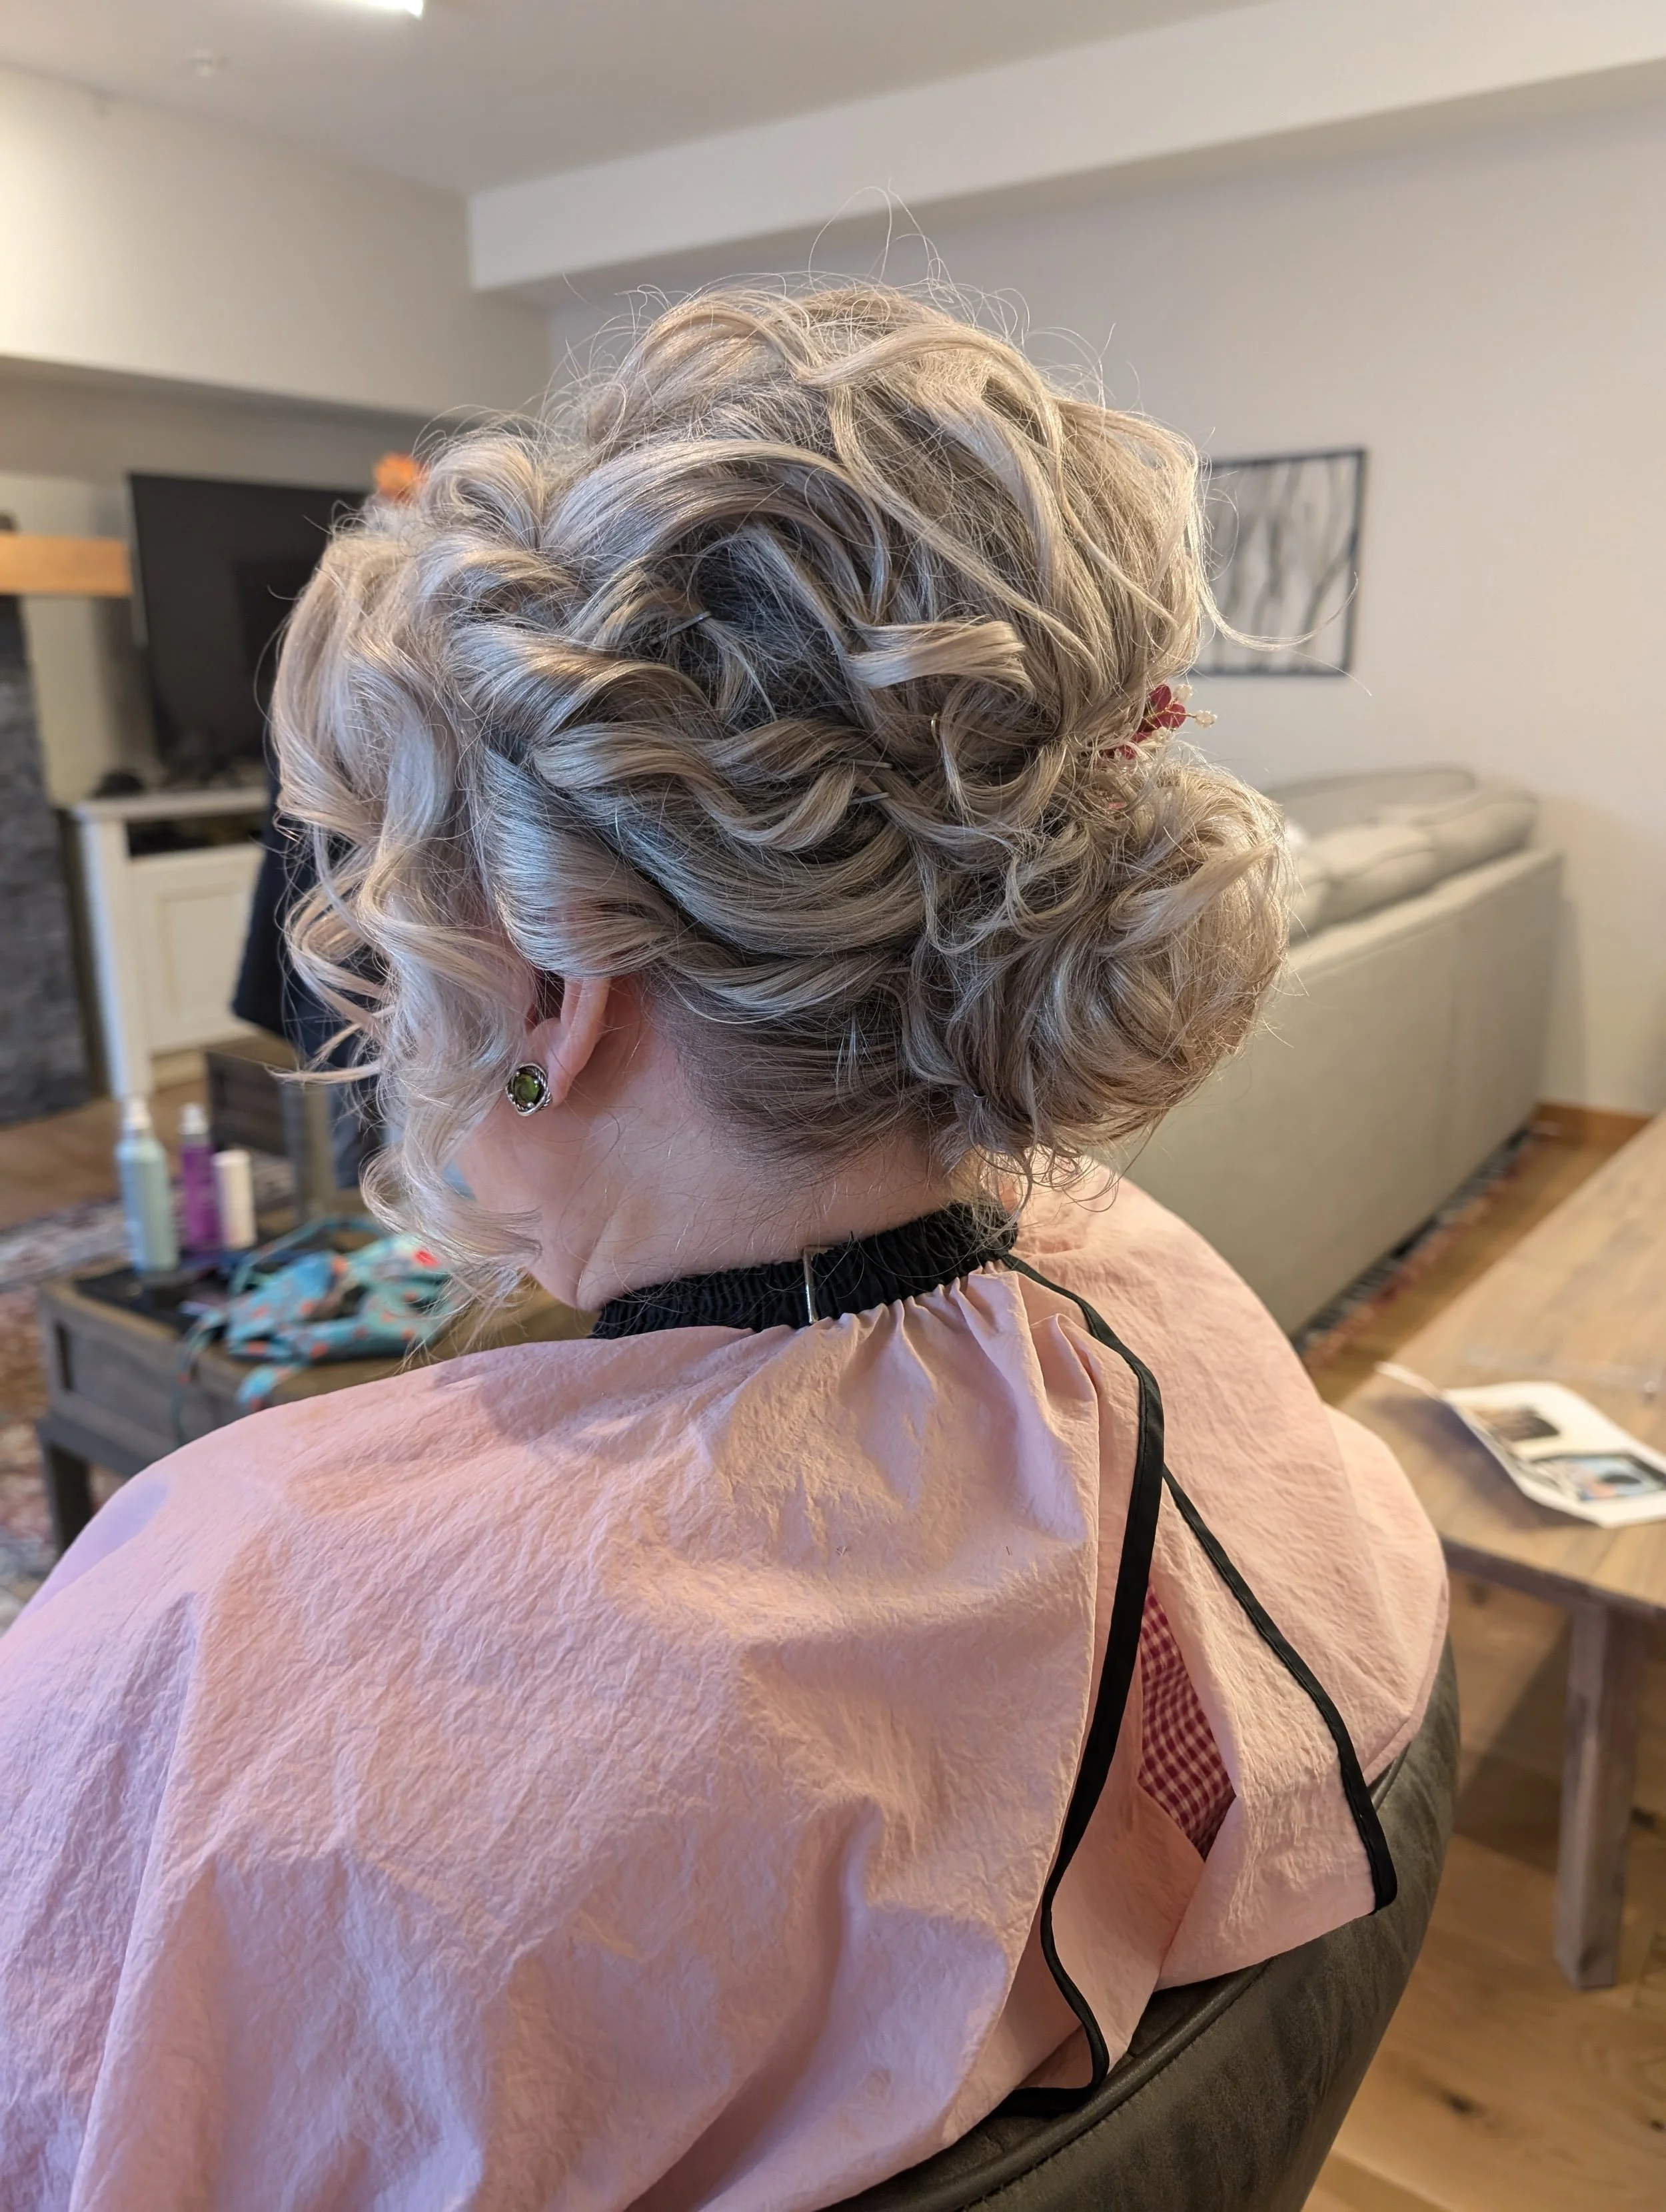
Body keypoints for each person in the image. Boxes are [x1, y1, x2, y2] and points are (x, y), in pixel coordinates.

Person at [0, 286, 1445, 2210]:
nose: (365, 960)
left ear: (554, 977)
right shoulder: (1161, 1311)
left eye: (383, 889)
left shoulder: (221, 1602)